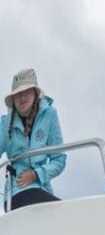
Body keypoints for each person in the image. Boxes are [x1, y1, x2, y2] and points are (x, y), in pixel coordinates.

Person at [0, 68, 66, 210]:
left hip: (43, 190)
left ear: (35, 93)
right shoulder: (4, 123)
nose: (22, 96)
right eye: (17, 94)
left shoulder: (50, 115)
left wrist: (36, 175)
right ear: (13, 98)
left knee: (61, 213)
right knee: (60, 211)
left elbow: (59, 159)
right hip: (15, 192)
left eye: (26, 91)